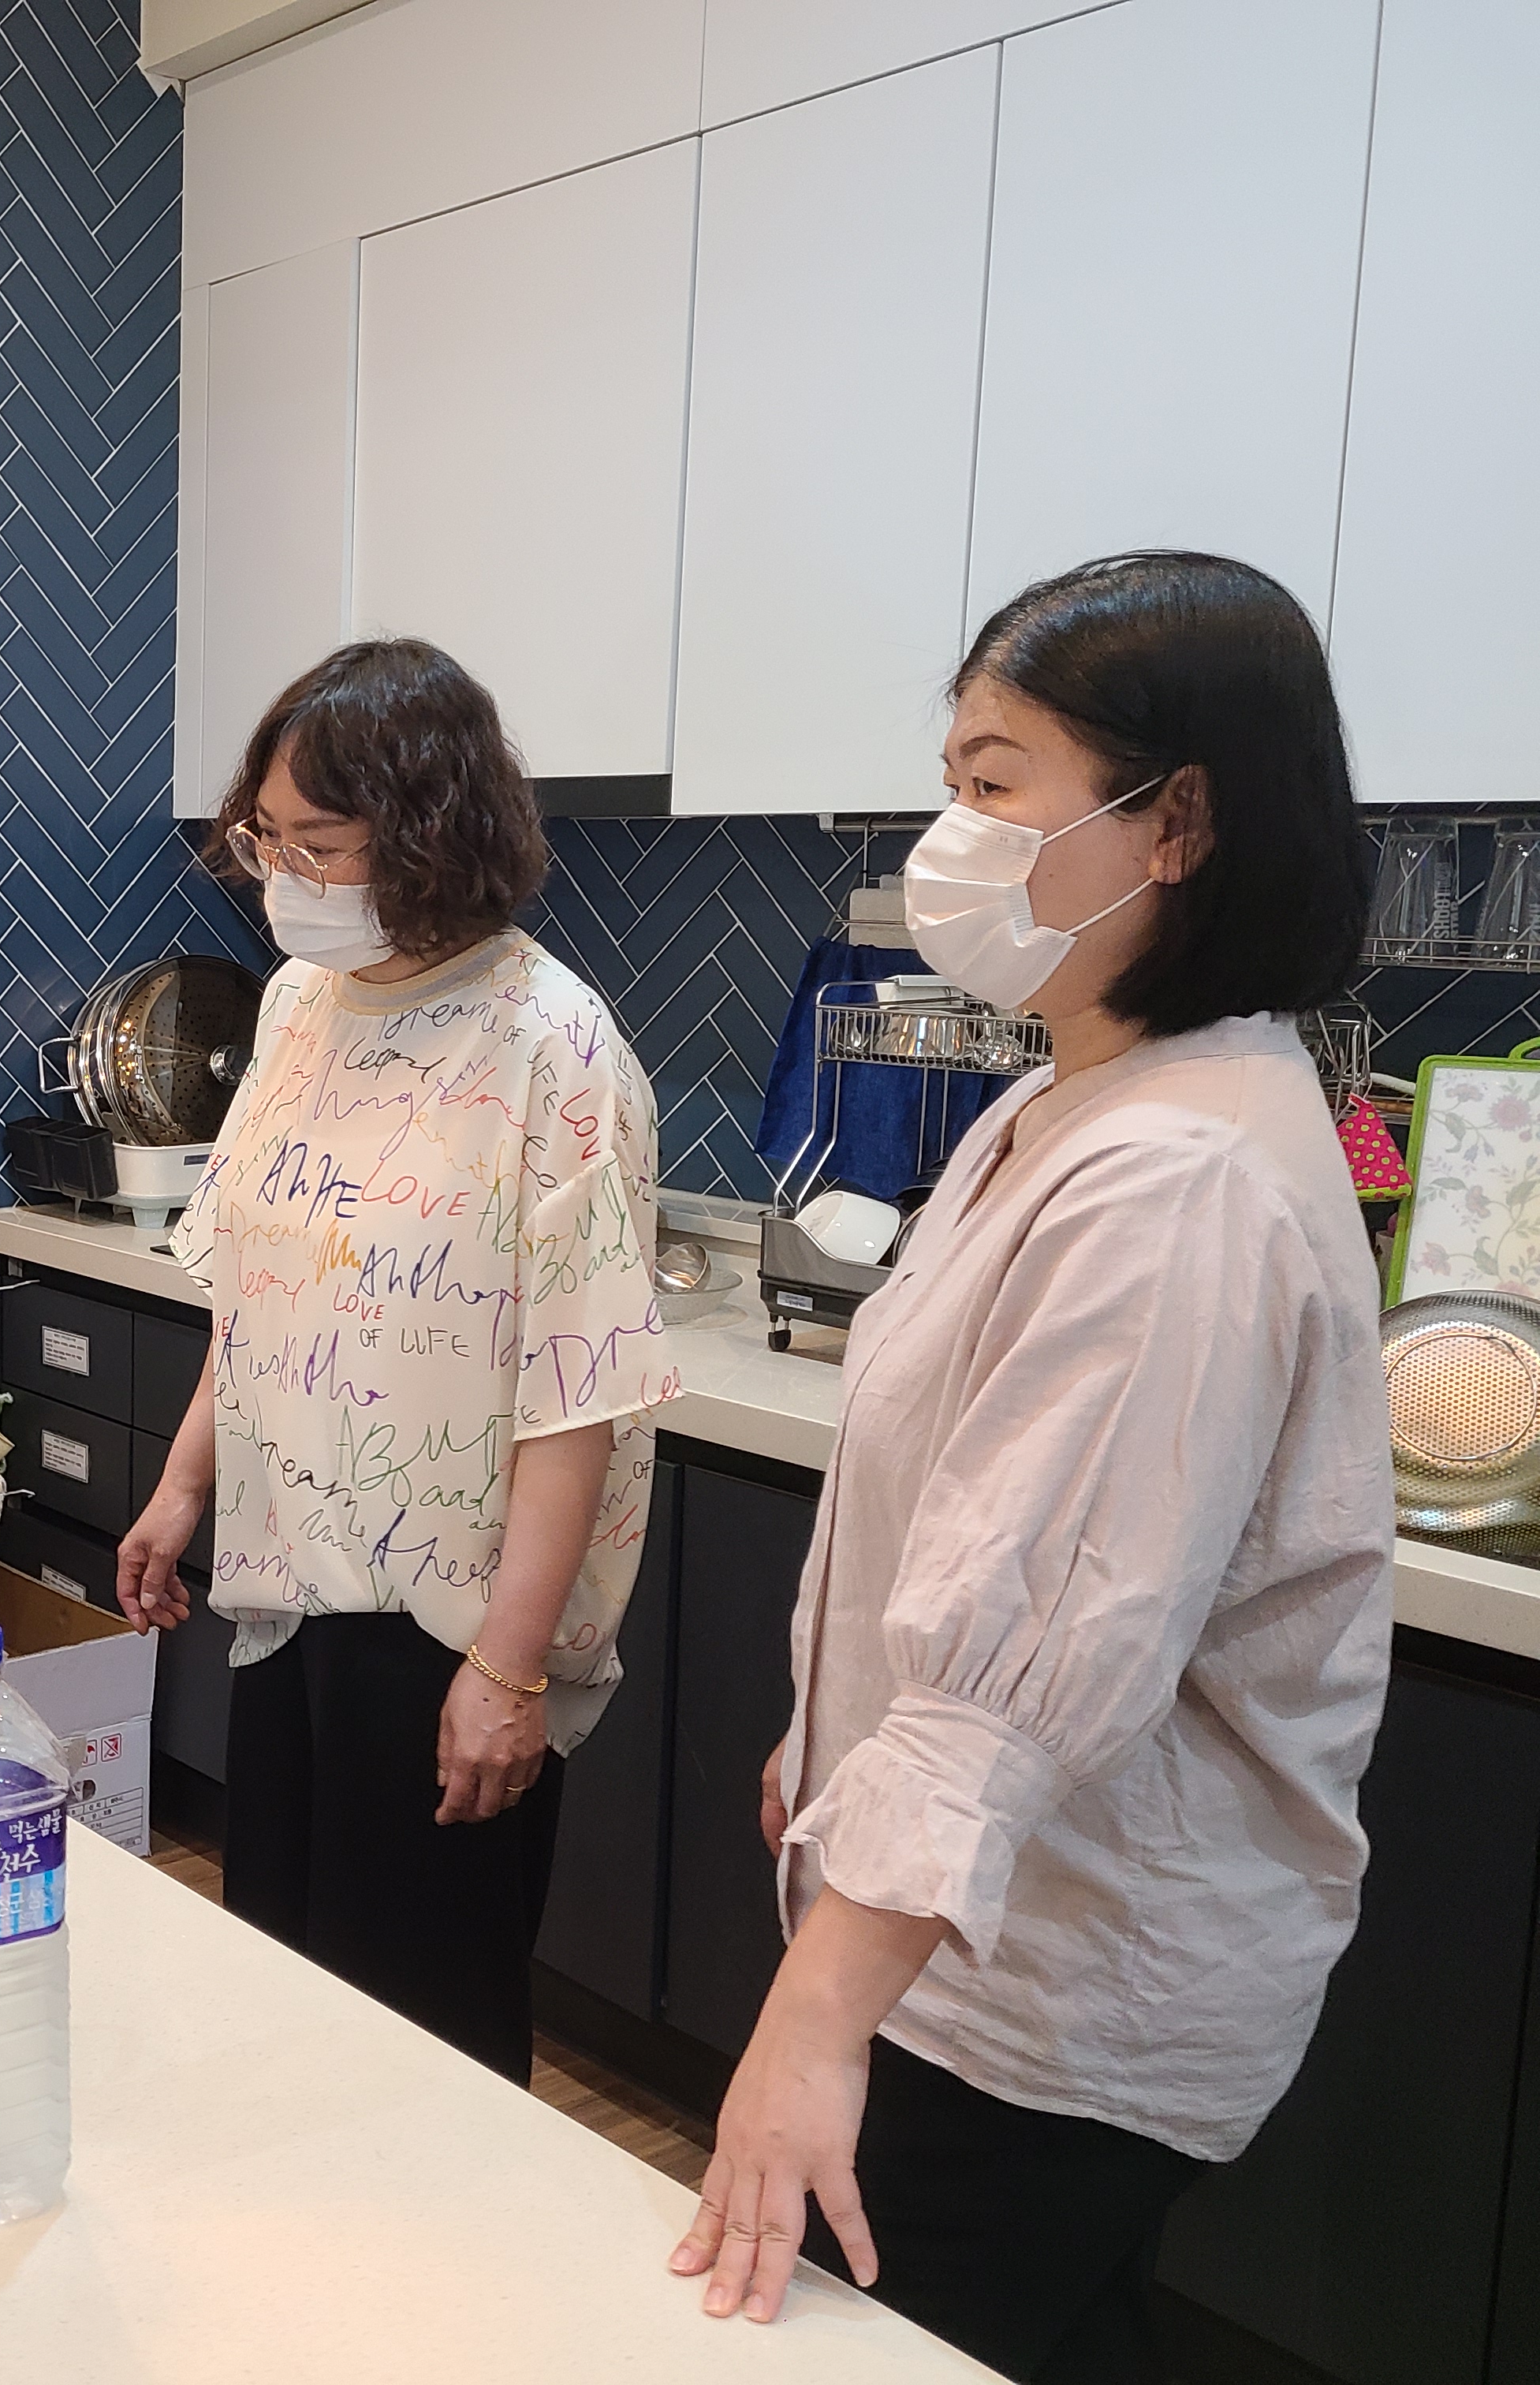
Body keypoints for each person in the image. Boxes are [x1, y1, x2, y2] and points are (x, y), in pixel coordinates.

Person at [666, 551, 1389, 2383]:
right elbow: (980, 1529)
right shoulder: (1075, 1100)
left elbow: (1029, 1664)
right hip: (972, 1930)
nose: (952, 838)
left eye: (995, 786)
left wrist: (807, 2029)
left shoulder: (1179, 1183)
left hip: (1051, 1989)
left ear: (1177, 823)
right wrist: (832, 1745)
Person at [115, 637, 677, 2084]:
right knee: (286, 2001)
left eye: (320, 842)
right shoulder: (301, 1006)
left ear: (431, 834)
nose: (283, 875)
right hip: (289, 1585)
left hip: (448, 1627)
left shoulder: (554, 1045)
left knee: (424, 2042)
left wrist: (509, 1669)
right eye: (267, 838)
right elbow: (261, 1289)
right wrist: (185, 1487)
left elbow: (580, 1397)